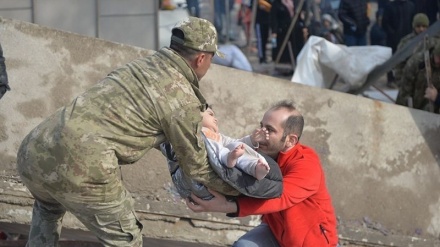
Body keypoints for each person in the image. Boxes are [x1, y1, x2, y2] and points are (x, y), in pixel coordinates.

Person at [15, 16, 237, 247]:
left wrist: (196, 118)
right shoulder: (181, 97)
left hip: (34, 149)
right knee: (125, 239)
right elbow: (197, 166)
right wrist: (240, 192)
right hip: (83, 164)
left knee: (48, 211)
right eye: (212, 59)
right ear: (201, 58)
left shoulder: (141, 66)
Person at [186, 100, 339, 247]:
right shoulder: (260, 154)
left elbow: (280, 196)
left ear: (291, 140)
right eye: (262, 126)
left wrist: (228, 206)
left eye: (270, 130)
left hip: (314, 242)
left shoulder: (307, 164)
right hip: (275, 233)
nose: (262, 133)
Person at [201, 107, 270, 180]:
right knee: (229, 151)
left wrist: (252, 139)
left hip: (229, 159)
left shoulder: (219, 137)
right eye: (210, 114)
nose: (216, 119)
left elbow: (235, 142)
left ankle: (255, 167)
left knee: (237, 148)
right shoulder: (197, 133)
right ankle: (229, 158)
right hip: (219, 160)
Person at [396, 42, 440, 113]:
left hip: (433, 115)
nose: (438, 61)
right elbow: (404, 91)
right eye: (438, 56)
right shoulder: (417, 62)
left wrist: (437, 98)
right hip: (410, 108)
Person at [382, 0, 415, 88]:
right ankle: (391, 80)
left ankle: (403, 80)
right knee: (392, 60)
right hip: (392, 40)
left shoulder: (410, 6)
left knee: (406, 60)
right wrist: (392, 34)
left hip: (407, 40)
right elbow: (385, 23)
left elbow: (413, 22)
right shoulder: (390, 6)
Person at [394, 13, 429, 87]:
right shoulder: (406, 42)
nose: (421, 29)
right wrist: (400, 81)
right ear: (414, 27)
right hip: (410, 81)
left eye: (424, 26)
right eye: (418, 26)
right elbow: (398, 63)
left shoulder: (432, 40)